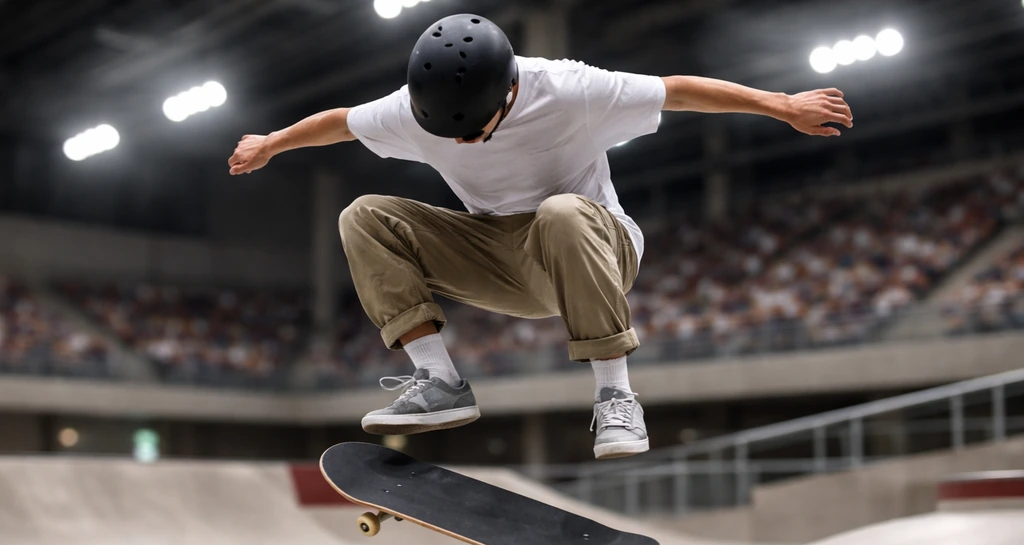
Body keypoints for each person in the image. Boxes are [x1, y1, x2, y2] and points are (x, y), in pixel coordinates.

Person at [228, 13, 852, 459]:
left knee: (560, 211)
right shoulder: (407, 109)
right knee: (363, 215)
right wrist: (272, 144)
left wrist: (783, 105)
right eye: (450, 134)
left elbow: (680, 91)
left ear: (510, 90)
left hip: (596, 247)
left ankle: (617, 401)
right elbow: (338, 123)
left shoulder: (572, 88)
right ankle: (440, 382)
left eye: (477, 129)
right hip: (498, 255)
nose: (465, 142)